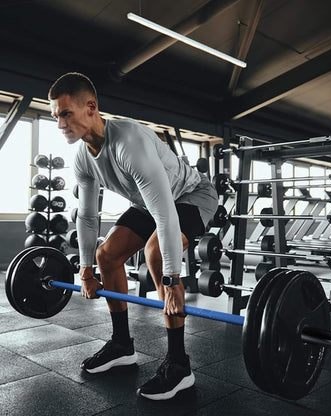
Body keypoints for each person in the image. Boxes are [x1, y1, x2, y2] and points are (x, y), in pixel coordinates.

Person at [49, 72, 218, 400]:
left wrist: (170, 281)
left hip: (193, 195)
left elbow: (167, 213)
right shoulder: (83, 158)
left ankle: (180, 366)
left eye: (66, 113)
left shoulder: (130, 142)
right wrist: (85, 270)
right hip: (149, 201)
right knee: (106, 255)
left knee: (155, 254)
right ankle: (122, 346)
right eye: (56, 116)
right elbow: (87, 216)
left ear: (91, 108)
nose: (60, 123)